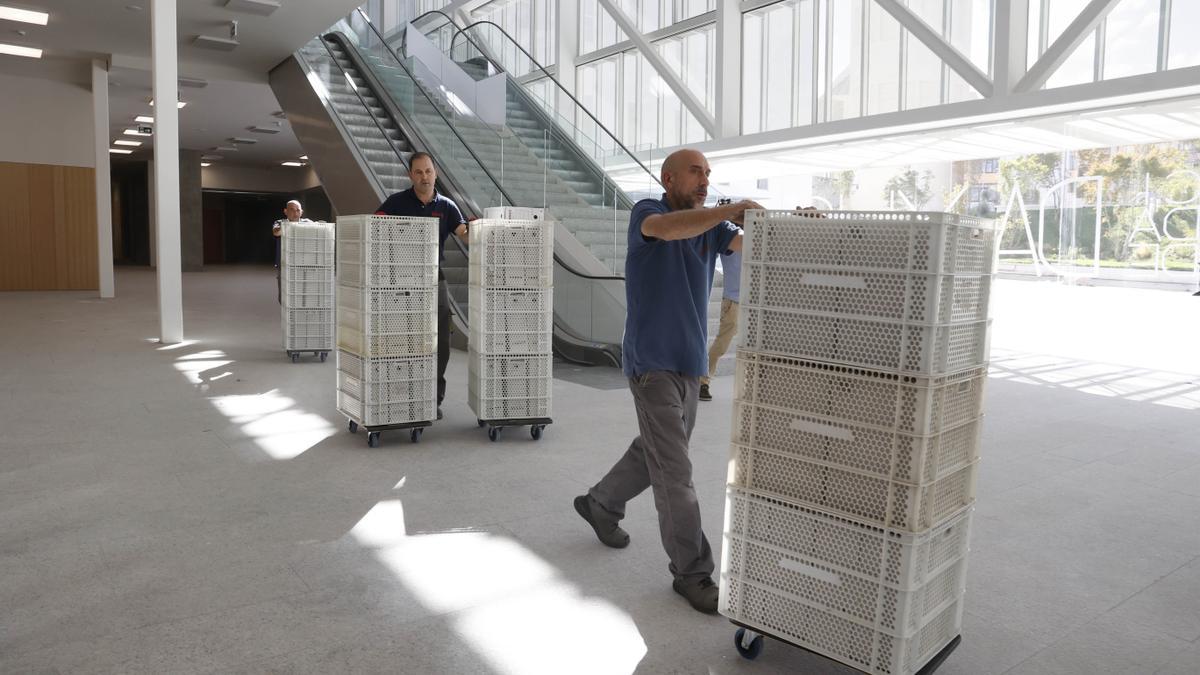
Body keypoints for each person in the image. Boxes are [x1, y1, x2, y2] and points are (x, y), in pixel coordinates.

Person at [573, 148, 763, 614]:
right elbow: (670, 230)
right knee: (675, 474)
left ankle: (601, 503)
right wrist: (732, 210)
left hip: (688, 363)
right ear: (669, 177)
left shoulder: (713, 227)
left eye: (709, 174)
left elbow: (748, 243)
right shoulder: (650, 212)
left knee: (657, 449)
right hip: (652, 363)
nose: (704, 181)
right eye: (696, 172)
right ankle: (692, 571)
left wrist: (789, 224)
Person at [374, 152, 467, 420]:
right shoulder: (396, 202)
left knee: (441, 341)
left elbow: (463, 233)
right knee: (401, 341)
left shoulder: (447, 206)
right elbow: (374, 226)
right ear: (410, 175)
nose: (424, 177)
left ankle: (432, 399)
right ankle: (398, 396)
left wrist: (484, 229)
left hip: (433, 277)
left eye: (428, 171)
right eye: (419, 172)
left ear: (435, 173)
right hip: (399, 281)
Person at [699, 248, 741, 401]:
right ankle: (702, 380)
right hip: (734, 301)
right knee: (722, 345)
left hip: (758, 300)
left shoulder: (759, 235)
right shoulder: (729, 237)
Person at [273, 200, 313, 303]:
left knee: (303, 294)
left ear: (301, 212)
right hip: (284, 264)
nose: (295, 213)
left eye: (298, 210)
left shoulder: (308, 223)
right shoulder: (279, 222)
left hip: (303, 264)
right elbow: (276, 233)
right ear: (285, 211)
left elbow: (320, 230)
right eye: (292, 210)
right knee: (284, 296)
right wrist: (293, 226)